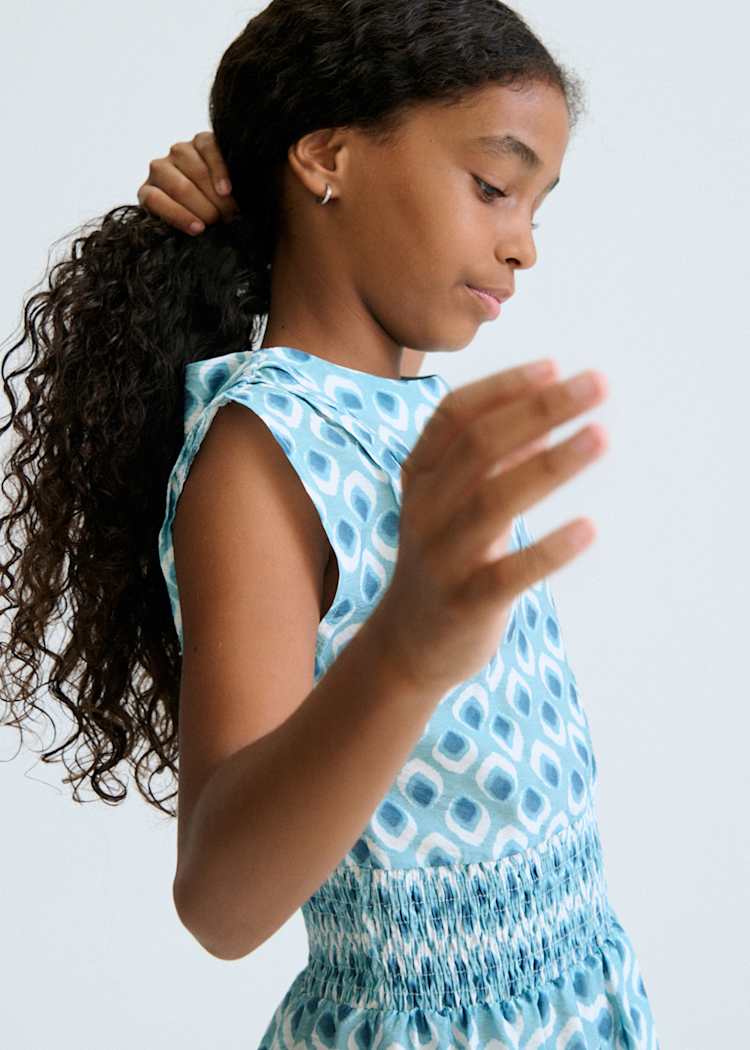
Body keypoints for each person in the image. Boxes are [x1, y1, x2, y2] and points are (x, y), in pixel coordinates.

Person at [0, 2, 661, 1048]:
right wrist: (407, 651)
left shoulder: (416, 419)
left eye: (539, 206)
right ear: (327, 157)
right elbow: (222, 903)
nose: (524, 244)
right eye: (494, 186)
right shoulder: (264, 446)